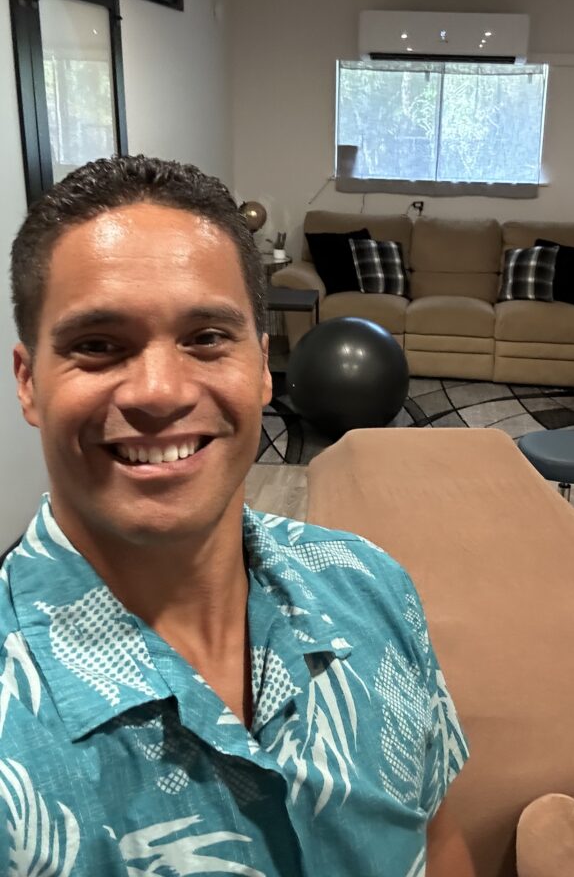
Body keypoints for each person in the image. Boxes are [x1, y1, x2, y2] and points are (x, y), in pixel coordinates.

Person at [1, 155, 475, 876]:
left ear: (261, 367)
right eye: (99, 346)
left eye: (206, 338)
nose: (160, 392)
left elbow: (439, 843)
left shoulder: (373, 586)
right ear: (29, 382)